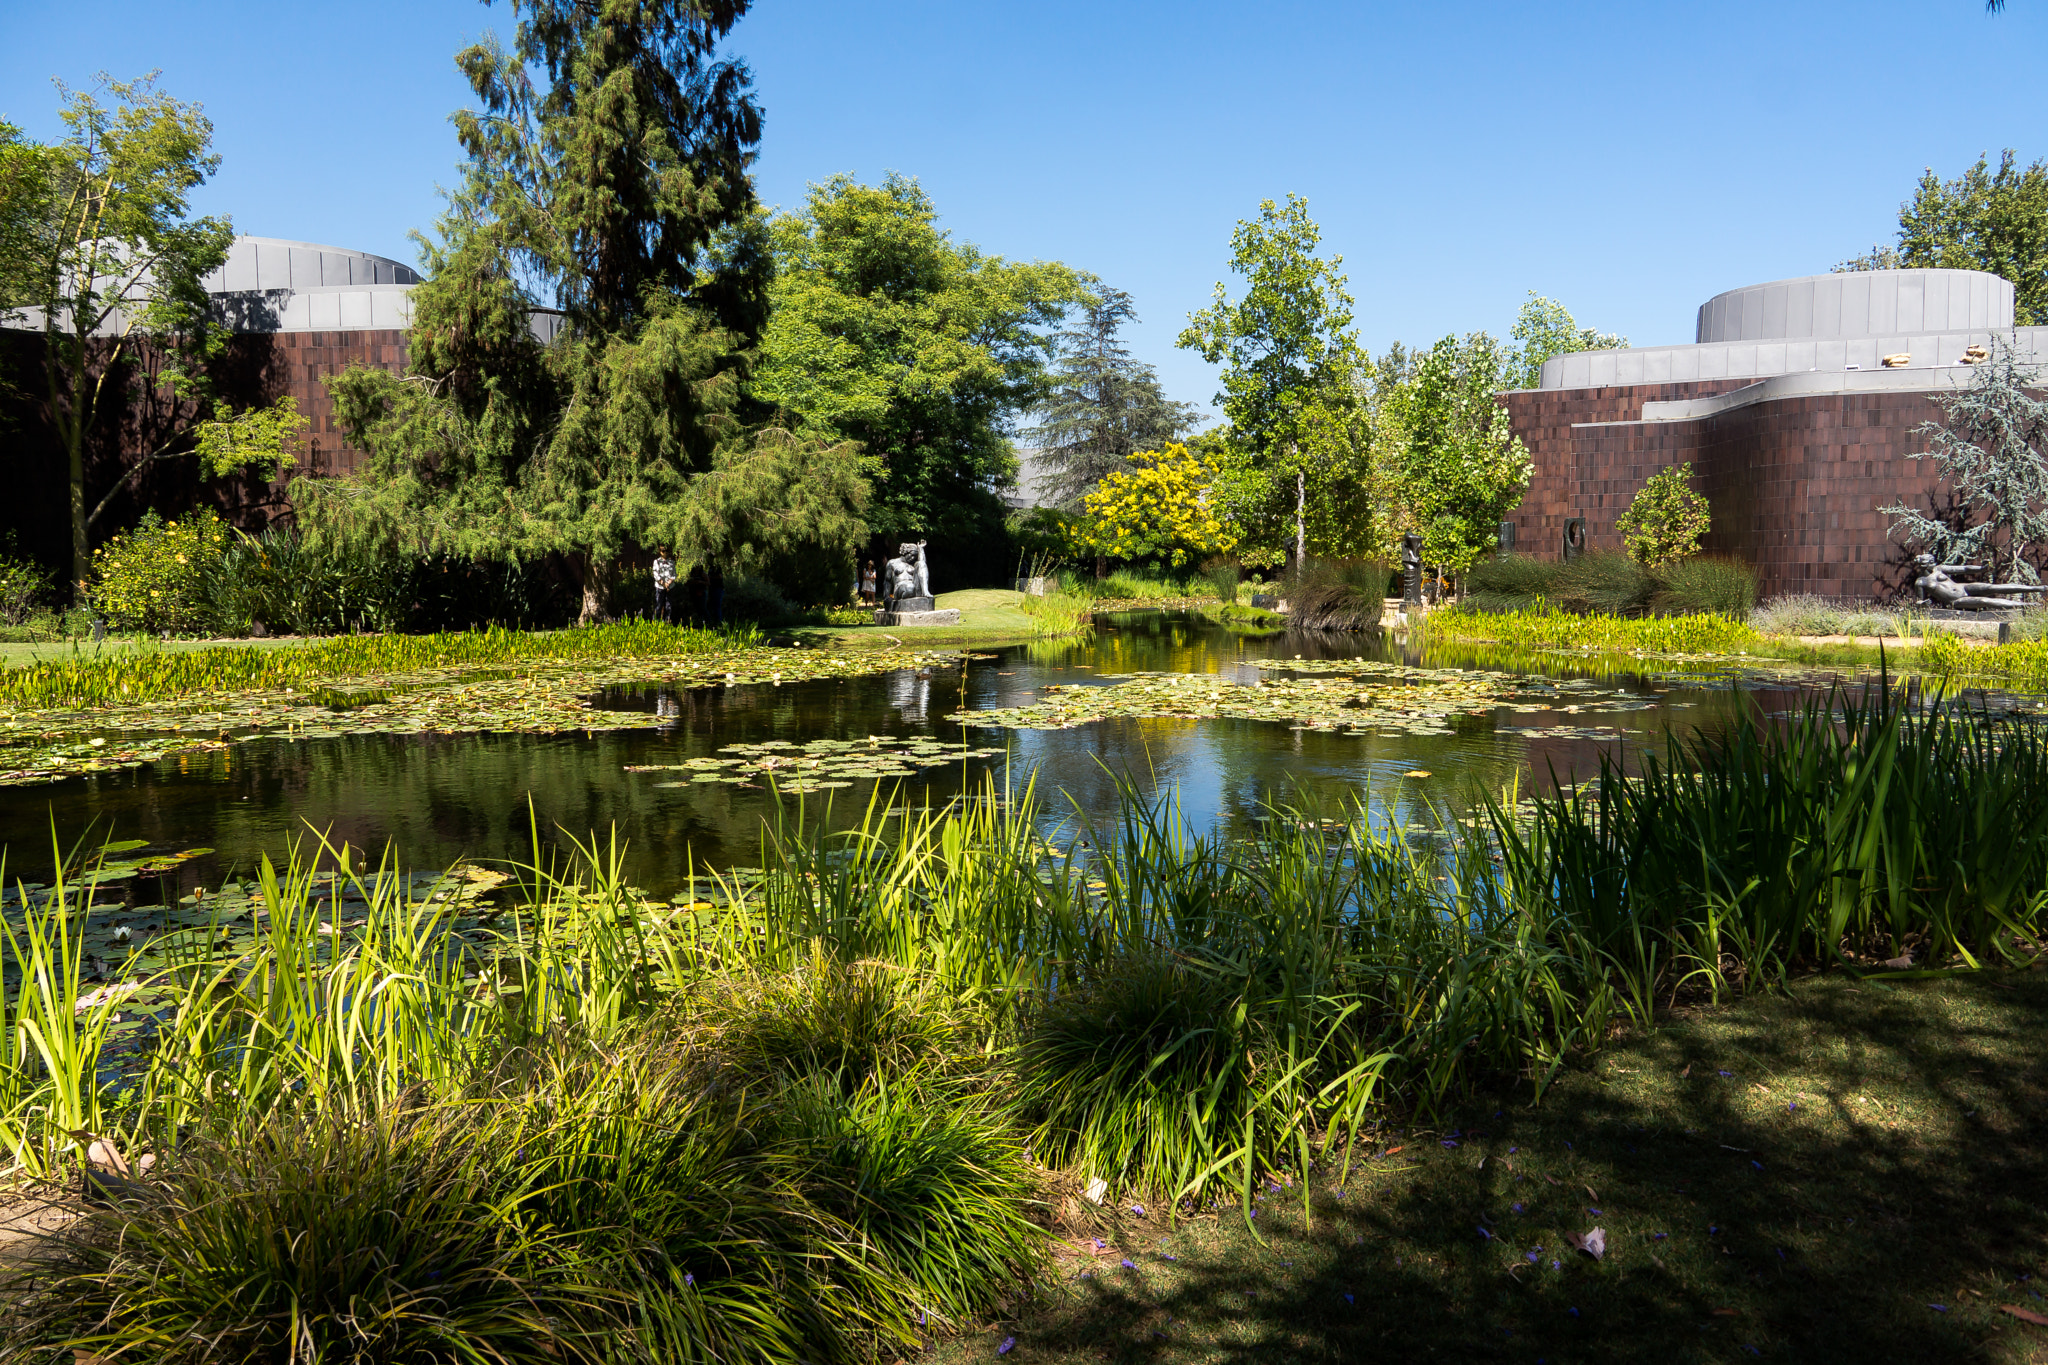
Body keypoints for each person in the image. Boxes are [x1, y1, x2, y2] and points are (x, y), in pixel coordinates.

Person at [651, 548, 676, 624]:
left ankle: (666, 622)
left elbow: (674, 574)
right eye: (663, 551)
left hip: (670, 587)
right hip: (660, 587)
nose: (665, 553)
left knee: (668, 606)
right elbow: (656, 574)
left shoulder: (671, 562)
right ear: (660, 552)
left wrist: (668, 583)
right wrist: (663, 583)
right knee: (658, 605)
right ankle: (655, 622)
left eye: (666, 551)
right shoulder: (657, 562)